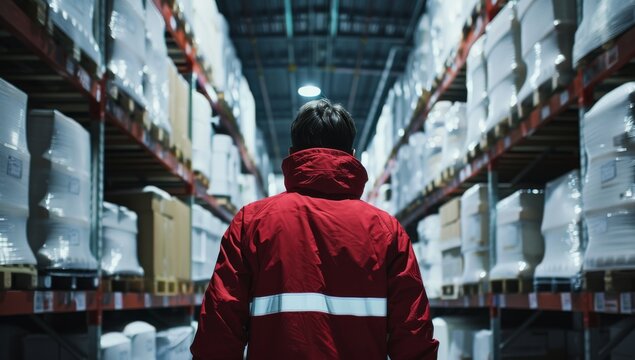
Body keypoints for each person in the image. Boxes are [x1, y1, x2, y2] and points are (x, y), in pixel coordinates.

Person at [191, 99, 439, 359]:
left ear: (292, 153)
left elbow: (218, 333)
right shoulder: (387, 232)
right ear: (352, 155)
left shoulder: (251, 223)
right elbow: (414, 339)